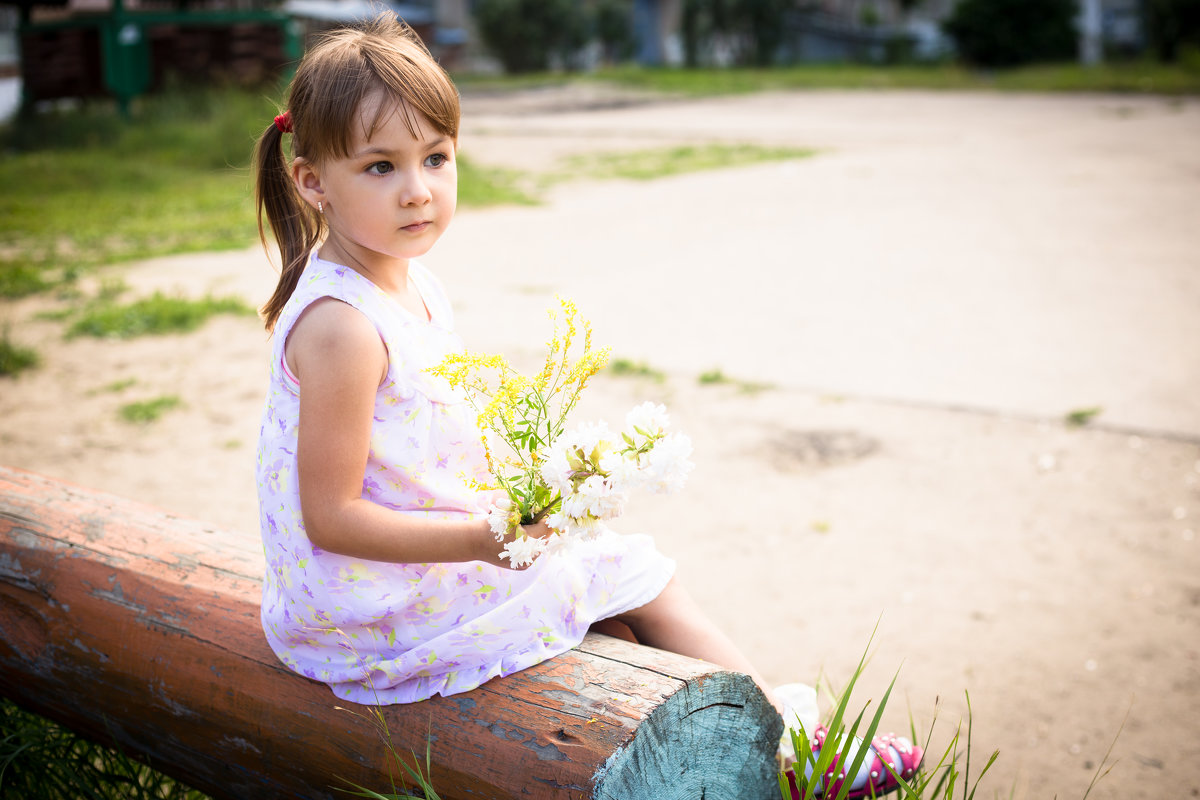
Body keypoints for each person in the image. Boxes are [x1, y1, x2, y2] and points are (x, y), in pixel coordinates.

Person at [252, 15, 919, 796]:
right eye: (380, 167)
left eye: (436, 157)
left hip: (407, 565)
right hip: (364, 611)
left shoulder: (408, 279)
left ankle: (733, 760)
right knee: (637, 573)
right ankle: (804, 760)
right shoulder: (342, 326)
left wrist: (527, 489)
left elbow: (412, 445)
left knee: (617, 619)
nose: (418, 189)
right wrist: (483, 537)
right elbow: (328, 516)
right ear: (311, 180)